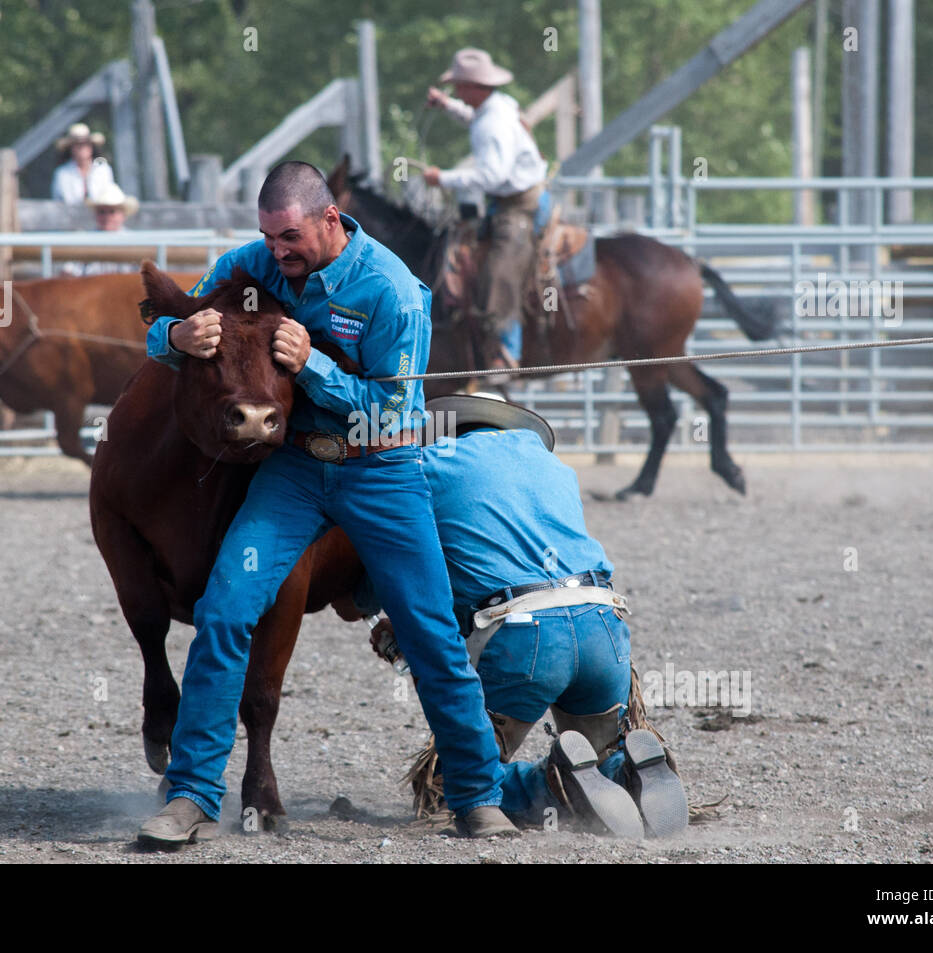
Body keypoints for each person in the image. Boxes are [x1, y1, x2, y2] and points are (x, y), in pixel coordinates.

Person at [136, 161, 514, 845]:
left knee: (430, 631)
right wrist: (174, 337)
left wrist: (312, 363)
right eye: (269, 236)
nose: (277, 252)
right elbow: (166, 324)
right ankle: (193, 793)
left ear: (329, 220)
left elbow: (393, 407)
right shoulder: (249, 266)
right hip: (295, 471)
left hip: (382, 467)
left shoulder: (393, 291)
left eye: (289, 236)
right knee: (224, 607)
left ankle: (478, 795)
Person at [361, 394, 689, 838]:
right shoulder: (553, 467)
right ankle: (622, 772)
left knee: (451, 784)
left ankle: (553, 783)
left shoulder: (425, 467)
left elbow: (416, 572)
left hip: (524, 638)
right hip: (602, 625)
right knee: (598, 749)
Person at [423, 49, 548, 372]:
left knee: (498, 274)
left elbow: (494, 176)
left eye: (459, 87)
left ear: (473, 86)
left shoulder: (492, 123)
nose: (457, 91)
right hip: (514, 200)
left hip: (520, 207)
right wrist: (448, 106)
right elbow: (472, 118)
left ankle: (507, 354)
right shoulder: (496, 107)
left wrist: (443, 179)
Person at [60, 182, 139, 277]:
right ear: (95, 214)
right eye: (102, 212)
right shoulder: (84, 240)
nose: (107, 216)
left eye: (112, 211)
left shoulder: (135, 241)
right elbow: (68, 272)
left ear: (123, 215)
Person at [50, 122, 115, 204]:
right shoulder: (62, 173)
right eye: (77, 144)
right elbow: (58, 202)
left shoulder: (103, 170)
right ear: (71, 148)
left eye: (86, 143)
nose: (82, 148)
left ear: (92, 146)